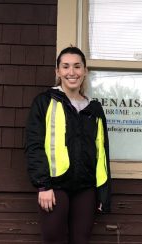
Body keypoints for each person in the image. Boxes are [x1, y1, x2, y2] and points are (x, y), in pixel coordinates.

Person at [25, 46, 111, 244]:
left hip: (86, 188)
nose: (71, 72)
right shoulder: (44, 102)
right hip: (54, 186)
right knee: (53, 239)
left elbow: (102, 153)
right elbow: (34, 145)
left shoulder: (94, 109)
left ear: (85, 71)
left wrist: (102, 193)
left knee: (81, 240)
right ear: (57, 71)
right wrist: (43, 185)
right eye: (65, 67)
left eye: (77, 66)